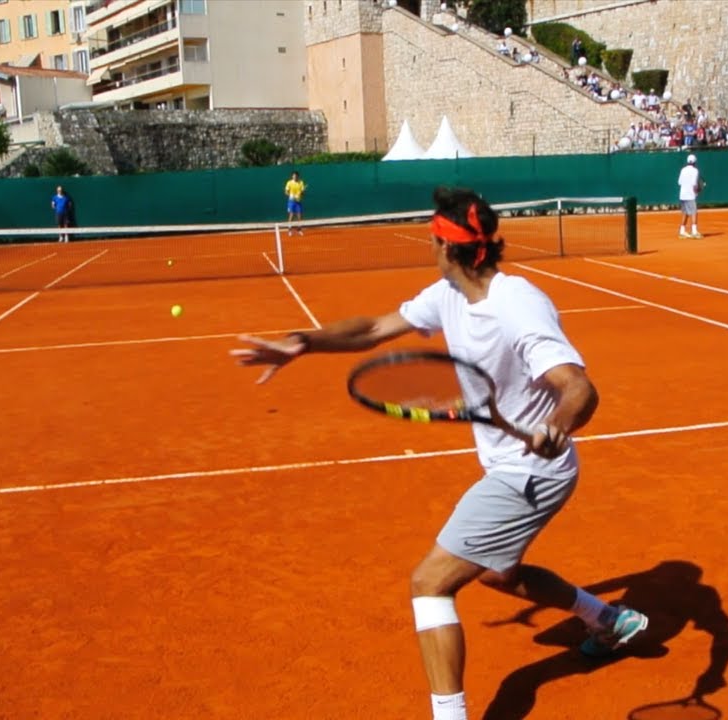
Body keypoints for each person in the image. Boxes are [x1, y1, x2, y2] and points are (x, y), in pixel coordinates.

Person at [230, 187, 648, 720]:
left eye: (433, 240)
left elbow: (579, 388)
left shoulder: (517, 306)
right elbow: (376, 329)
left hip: (530, 472)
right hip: (512, 465)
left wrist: (557, 425)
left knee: (429, 583)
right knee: (500, 574)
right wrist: (304, 341)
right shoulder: (448, 295)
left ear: (448, 248)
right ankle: (610, 622)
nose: (430, 247)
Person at [677, 154, 703, 238]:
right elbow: (694, 184)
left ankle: (682, 231)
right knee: (694, 212)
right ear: (695, 162)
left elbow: (679, 182)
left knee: (685, 213)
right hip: (690, 195)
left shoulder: (683, 170)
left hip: (682, 195)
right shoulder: (695, 170)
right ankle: (694, 232)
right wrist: (697, 191)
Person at [284, 170, 306, 236]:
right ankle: (289, 230)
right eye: (294, 176)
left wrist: (302, 193)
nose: (295, 177)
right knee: (292, 215)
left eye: (296, 176)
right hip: (291, 201)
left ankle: (299, 230)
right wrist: (291, 196)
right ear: (292, 176)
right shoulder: (289, 183)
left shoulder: (301, 182)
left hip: (298, 202)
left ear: (298, 176)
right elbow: (286, 192)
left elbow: (302, 193)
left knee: (299, 216)